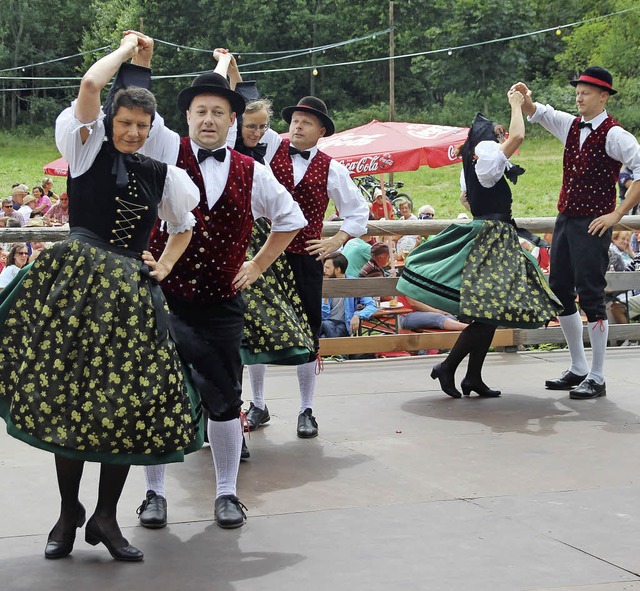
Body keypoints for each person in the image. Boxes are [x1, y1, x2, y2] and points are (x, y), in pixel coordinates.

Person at [0, 33, 200, 562]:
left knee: (125, 404)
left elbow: (182, 226)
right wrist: (127, 49)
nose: (133, 132)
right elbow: (91, 83)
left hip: (132, 296)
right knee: (70, 399)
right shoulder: (84, 147)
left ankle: (106, 518)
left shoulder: (165, 175)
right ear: (109, 122)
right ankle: (69, 514)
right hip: (77, 289)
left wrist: (166, 264)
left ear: (152, 129)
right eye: (125, 122)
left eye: (142, 125)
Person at [128, 37, 306, 529]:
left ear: (232, 122)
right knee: (158, 395)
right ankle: (153, 495)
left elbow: (289, 220)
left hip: (222, 304)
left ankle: (227, 492)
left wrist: (258, 266)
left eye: (218, 112)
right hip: (164, 298)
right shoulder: (166, 151)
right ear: (188, 118)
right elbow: (141, 107)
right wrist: (142, 63)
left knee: (225, 398)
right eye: (200, 111)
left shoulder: (254, 171)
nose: (208, 119)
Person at [398, 91, 562, 399]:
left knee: (488, 313)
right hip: (491, 240)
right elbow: (517, 136)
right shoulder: (486, 157)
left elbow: (466, 198)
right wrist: (515, 104)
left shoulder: (475, 162)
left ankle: (472, 376)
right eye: (496, 136)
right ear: (488, 142)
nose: (501, 140)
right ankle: (449, 367)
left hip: (490, 236)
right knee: (488, 313)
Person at [244, 94, 369, 439]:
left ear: (321, 130)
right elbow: (247, 108)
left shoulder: (333, 168)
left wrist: (336, 240)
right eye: (295, 120)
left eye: (306, 122)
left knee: (307, 329)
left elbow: (359, 213)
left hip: (306, 257)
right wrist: (234, 70)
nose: (297, 126)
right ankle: (257, 403)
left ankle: (306, 409)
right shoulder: (270, 148)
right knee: (256, 326)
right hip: (265, 253)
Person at [513, 67, 640, 399]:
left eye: (585, 92)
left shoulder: (616, 135)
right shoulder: (570, 125)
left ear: (603, 96)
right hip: (566, 219)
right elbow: (536, 111)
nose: (579, 97)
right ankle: (579, 367)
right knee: (559, 289)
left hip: (593, 222)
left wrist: (617, 213)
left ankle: (597, 376)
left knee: (592, 294)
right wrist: (524, 97)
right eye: (578, 92)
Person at [320, 252, 377, 338]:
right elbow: (323, 316)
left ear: (338, 270)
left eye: (327, 268)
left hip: (342, 325)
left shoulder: (352, 283)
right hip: (324, 323)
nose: (324, 271)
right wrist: (325, 299)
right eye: (324, 267)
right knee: (326, 324)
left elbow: (372, 305)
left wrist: (357, 315)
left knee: (323, 335)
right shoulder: (323, 283)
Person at [396, 295, 468, 332]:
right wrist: (438, 311)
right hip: (405, 315)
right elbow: (414, 303)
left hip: (421, 313)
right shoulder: (411, 278)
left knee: (451, 318)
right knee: (438, 318)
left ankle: (432, 349)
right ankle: (468, 328)